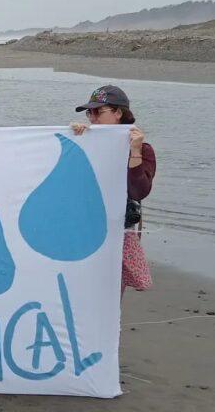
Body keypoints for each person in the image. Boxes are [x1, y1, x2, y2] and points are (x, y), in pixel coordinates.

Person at [71, 85, 156, 295]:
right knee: (80, 291)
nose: (92, 118)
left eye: (99, 111)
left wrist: (135, 152)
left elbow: (139, 191)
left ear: (118, 113)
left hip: (117, 232)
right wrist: (75, 139)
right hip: (84, 230)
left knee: (108, 295)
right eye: (90, 112)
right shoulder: (86, 142)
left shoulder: (142, 149)